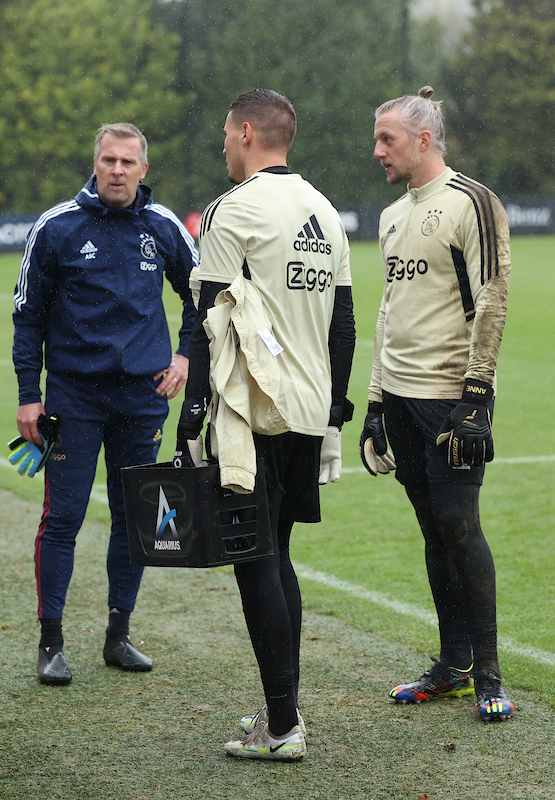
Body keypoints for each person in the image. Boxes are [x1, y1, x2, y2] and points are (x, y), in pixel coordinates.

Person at [177, 89, 356, 761]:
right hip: (307, 411)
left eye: (228, 134)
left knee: (254, 559)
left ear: (248, 132)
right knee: (277, 553)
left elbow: (206, 318)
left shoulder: (234, 208)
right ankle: (285, 711)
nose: (224, 145)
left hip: (251, 413)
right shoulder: (325, 211)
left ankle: (282, 727)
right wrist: (332, 413)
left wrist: (191, 418)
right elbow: (344, 325)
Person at [12, 123, 198, 685]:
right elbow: (28, 317)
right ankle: (50, 642)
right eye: (109, 160)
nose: (117, 170)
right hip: (74, 398)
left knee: (133, 519)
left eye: (127, 162)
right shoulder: (57, 227)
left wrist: (185, 356)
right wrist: (29, 396)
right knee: (63, 518)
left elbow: (203, 294)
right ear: (95, 164)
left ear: (144, 168)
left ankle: (119, 635)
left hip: (143, 399)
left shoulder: (163, 226)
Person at [361, 86, 514, 722]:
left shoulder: (472, 201)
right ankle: (452, 664)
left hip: (450, 399)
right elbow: (387, 312)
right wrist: (375, 402)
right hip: (400, 398)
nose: (377, 151)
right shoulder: (391, 216)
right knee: (431, 529)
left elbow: (493, 297)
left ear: (423, 140)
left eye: (387, 139)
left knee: (459, 525)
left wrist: (477, 394)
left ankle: (489, 674)